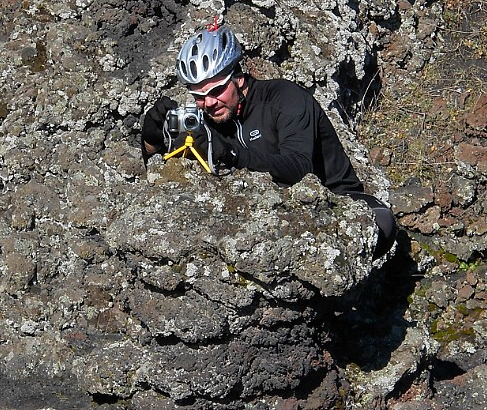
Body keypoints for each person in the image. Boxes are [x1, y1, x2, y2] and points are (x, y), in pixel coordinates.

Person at [142, 20, 397, 258]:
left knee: (383, 222)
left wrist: (229, 154)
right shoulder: (205, 116)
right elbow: (167, 179)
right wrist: (152, 140)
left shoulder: (284, 98)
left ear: (238, 78)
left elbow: (299, 169)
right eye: (198, 95)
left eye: (217, 90)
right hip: (267, 211)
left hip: (334, 200)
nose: (209, 102)